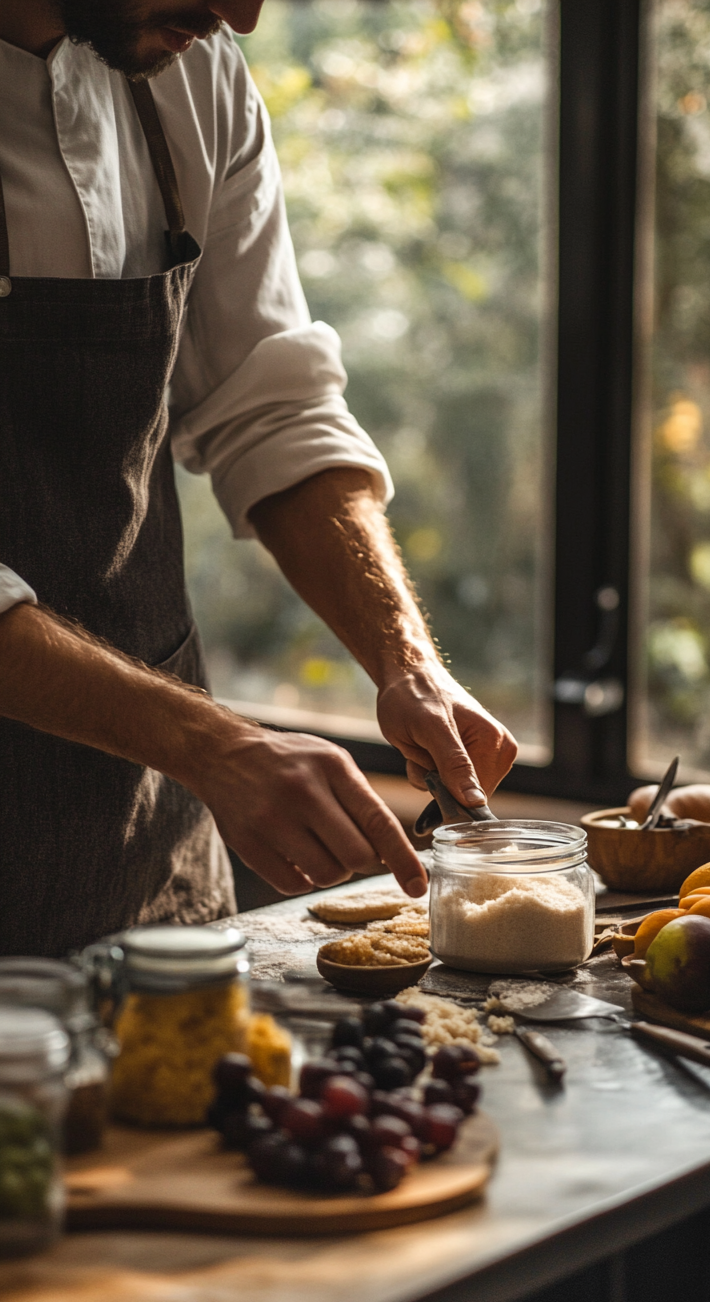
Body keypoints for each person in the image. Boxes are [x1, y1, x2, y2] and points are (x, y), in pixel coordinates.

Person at [0, 0, 517, 956]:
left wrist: (407, 659)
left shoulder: (194, 73)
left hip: (140, 841)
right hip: (179, 749)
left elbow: (267, 406)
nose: (242, 11)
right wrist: (215, 744)